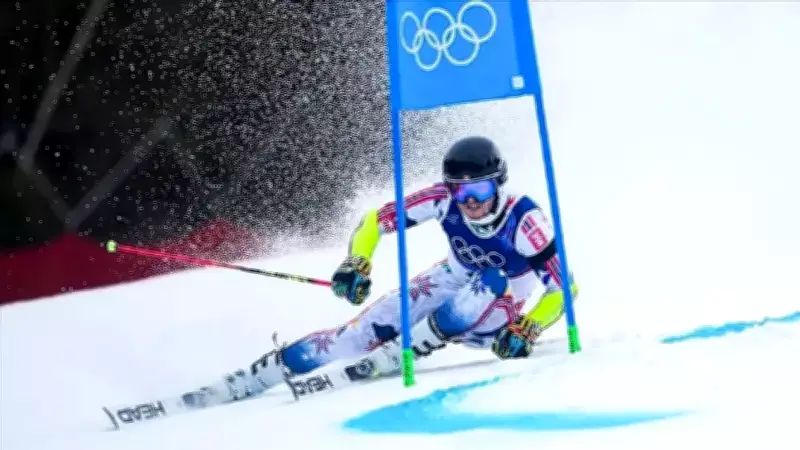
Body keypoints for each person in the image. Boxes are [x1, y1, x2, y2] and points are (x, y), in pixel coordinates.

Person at [196, 136, 577, 404]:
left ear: (498, 184)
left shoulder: (524, 220)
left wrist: (530, 327)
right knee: (358, 335)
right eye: (460, 191)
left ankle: (414, 344)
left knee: (490, 280)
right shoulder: (441, 200)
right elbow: (374, 221)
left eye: (479, 190)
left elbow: (565, 288)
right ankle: (260, 375)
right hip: (450, 281)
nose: (470, 202)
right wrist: (357, 262)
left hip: (499, 310)